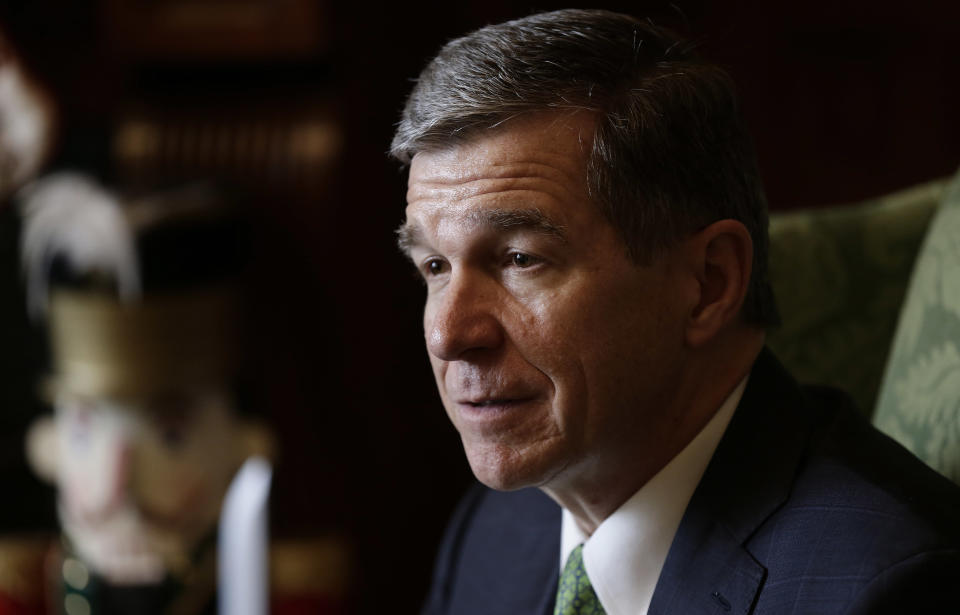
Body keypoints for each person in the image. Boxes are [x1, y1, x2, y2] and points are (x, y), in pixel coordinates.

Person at [391, 9, 960, 615]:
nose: (449, 334)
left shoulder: (887, 587)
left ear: (708, 283)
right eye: (435, 267)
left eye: (521, 259)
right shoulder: (503, 527)